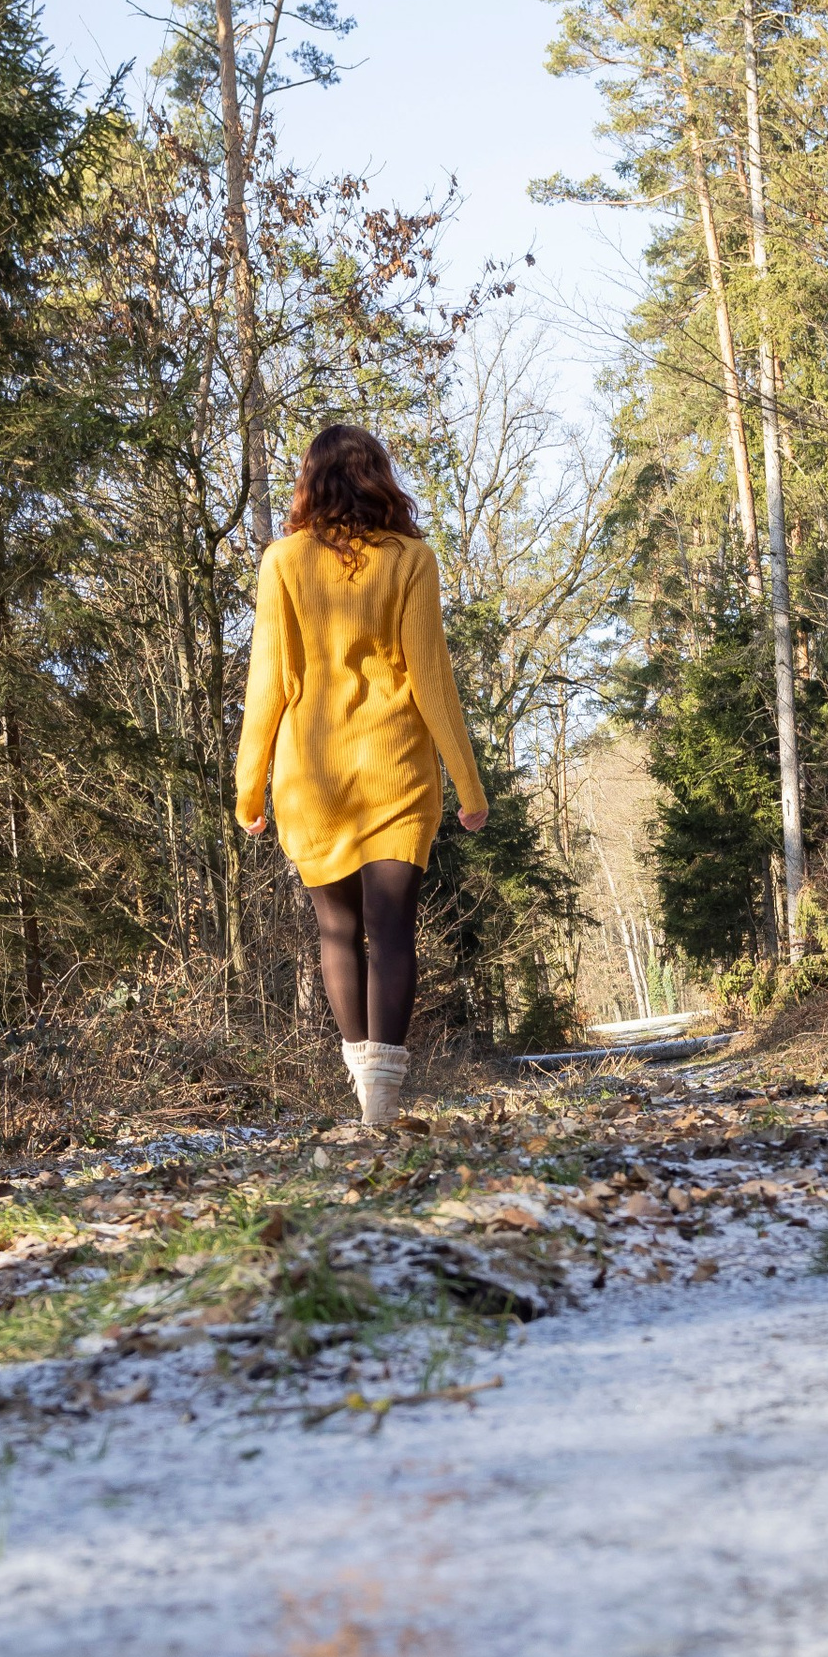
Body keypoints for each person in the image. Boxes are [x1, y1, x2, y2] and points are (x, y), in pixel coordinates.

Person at [235, 424, 488, 1131]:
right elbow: (431, 679)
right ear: (379, 476)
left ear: (309, 482)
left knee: (338, 932)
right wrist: (469, 787)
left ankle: (363, 1090)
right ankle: (383, 1099)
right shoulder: (412, 558)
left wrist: (247, 786)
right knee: (393, 930)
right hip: (396, 773)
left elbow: (269, 682)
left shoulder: (282, 561)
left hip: (310, 779)